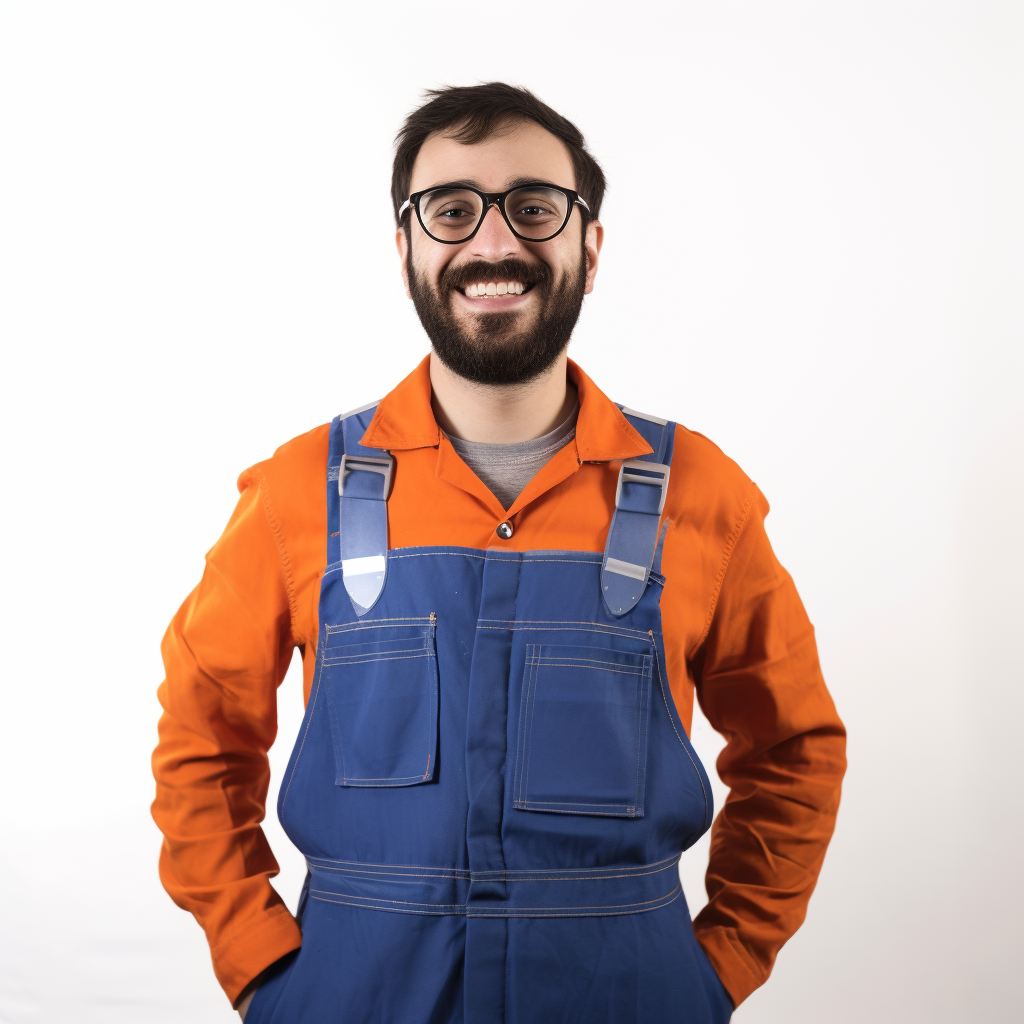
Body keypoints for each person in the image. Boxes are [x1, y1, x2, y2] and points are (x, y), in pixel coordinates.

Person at [152, 83, 847, 1024]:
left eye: (533, 207)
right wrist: (258, 962)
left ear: (587, 247)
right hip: (354, 998)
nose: (493, 242)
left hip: (628, 997)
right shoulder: (294, 492)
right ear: (406, 253)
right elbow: (201, 740)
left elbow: (795, 749)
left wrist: (720, 965)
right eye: (451, 211)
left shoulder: (702, 494)